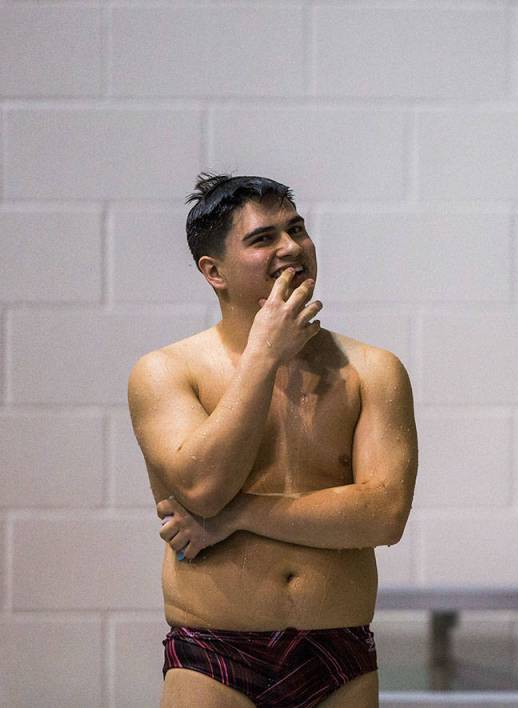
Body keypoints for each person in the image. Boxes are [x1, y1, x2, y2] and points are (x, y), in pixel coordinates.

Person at [128, 174, 417, 707]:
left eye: (297, 229)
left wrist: (240, 516)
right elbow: (203, 488)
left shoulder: (373, 370)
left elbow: (384, 514)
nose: (291, 248)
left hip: (339, 655)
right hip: (215, 656)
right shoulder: (167, 372)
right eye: (263, 238)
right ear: (213, 272)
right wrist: (263, 356)